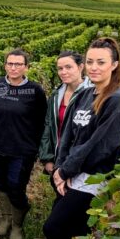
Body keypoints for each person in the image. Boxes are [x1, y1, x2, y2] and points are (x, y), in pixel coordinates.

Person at [43, 38, 120, 239]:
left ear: (114, 65)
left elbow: (100, 146)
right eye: (90, 61)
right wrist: (59, 170)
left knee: (54, 228)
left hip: (94, 178)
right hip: (71, 173)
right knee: (74, 231)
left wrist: (65, 171)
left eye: (101, 62)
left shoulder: (117, 101)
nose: (94, 67)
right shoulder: (85, 95)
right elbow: (67, 137)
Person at [0, 49, 47, 239]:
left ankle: (18, 225)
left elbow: (41, 121)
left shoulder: (35, 91)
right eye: (10, 63)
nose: (13, 67)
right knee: (1, 184)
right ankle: (6, 218)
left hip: (21, 151)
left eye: (18, 64)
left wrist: (33, 147)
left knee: (16, 188)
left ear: (26, 67)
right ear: (5, 66)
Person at [39, 51, 92, 190]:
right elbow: (48, 126)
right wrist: (47, 158)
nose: (63, 72)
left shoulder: (93, 94)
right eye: (60, 68)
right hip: (58, 161)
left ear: (81, 67)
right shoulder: (56, 95)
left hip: (81, 164)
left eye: (68, 67)